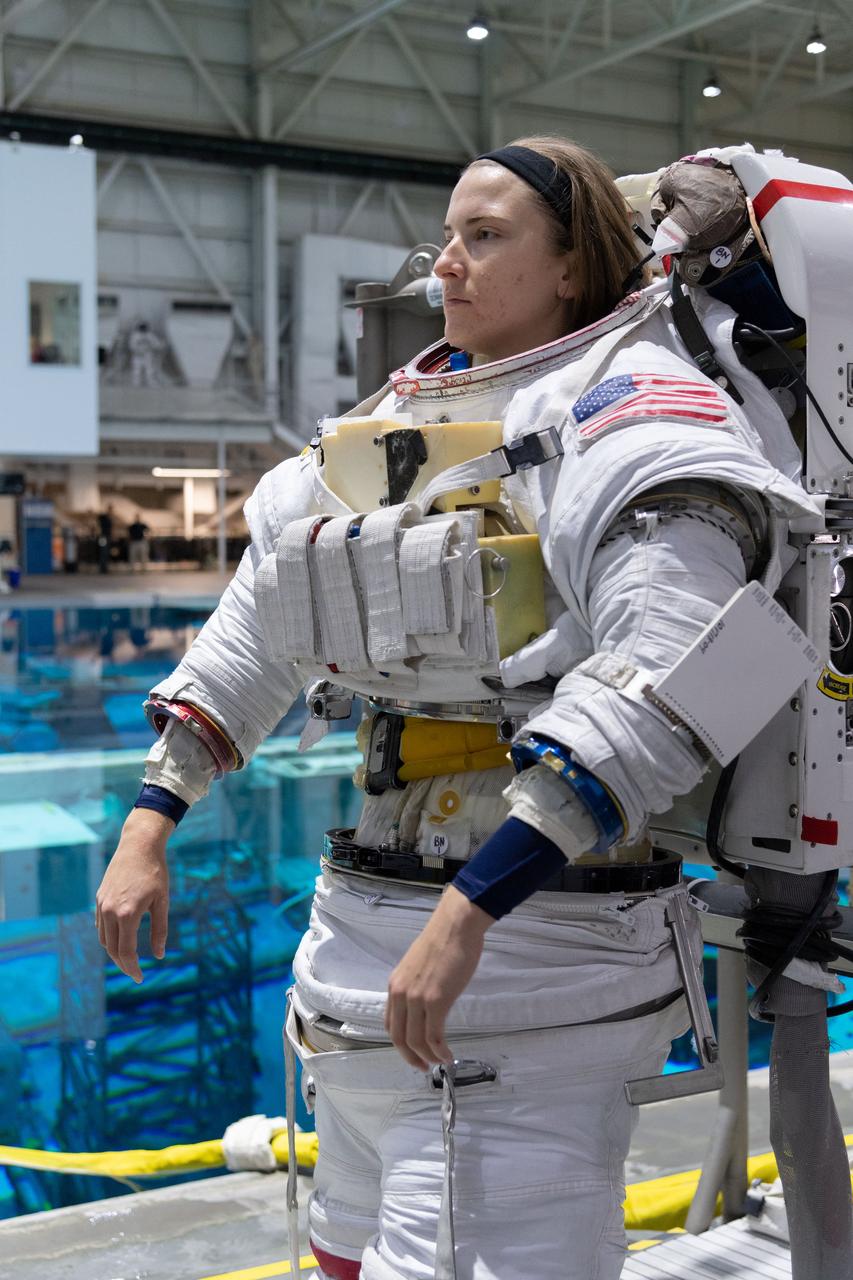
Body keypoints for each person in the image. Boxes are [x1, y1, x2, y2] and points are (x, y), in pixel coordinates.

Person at [95, 137, 815, 1280]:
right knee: (343, 1252)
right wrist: (151, 821)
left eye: (486, 239)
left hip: (530, 959)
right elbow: (255, 626)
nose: (447, 265)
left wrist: (474, 908)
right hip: (362, 960)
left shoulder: (635, 412)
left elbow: (667, 665)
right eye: (447, 238)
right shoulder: (388, 428)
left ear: (573, 266)